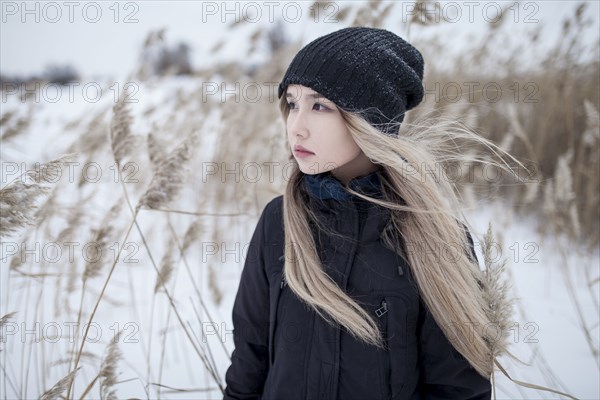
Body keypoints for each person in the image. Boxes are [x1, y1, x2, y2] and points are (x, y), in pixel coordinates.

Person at [223, 26, 498, 400]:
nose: (296, 127)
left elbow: (459, 388)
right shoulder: (280, 220)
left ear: (369, 121)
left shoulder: (435, 236)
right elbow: (249, 359)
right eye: (292, 103)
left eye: (319, 105)